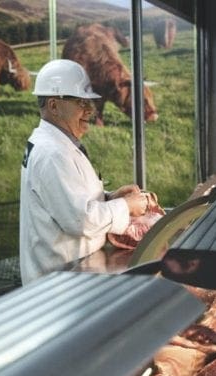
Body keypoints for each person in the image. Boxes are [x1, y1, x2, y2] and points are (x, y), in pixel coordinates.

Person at [19, 59, 156, 284]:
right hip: (60, 284)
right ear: (53, 105)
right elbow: (79, 220)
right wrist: (127, 206)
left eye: (89, 103)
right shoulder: (53, 153)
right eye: (81, 103)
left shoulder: (56, 144)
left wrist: (109, 197)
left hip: (72, 272)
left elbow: (66, 201)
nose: (90, 111)